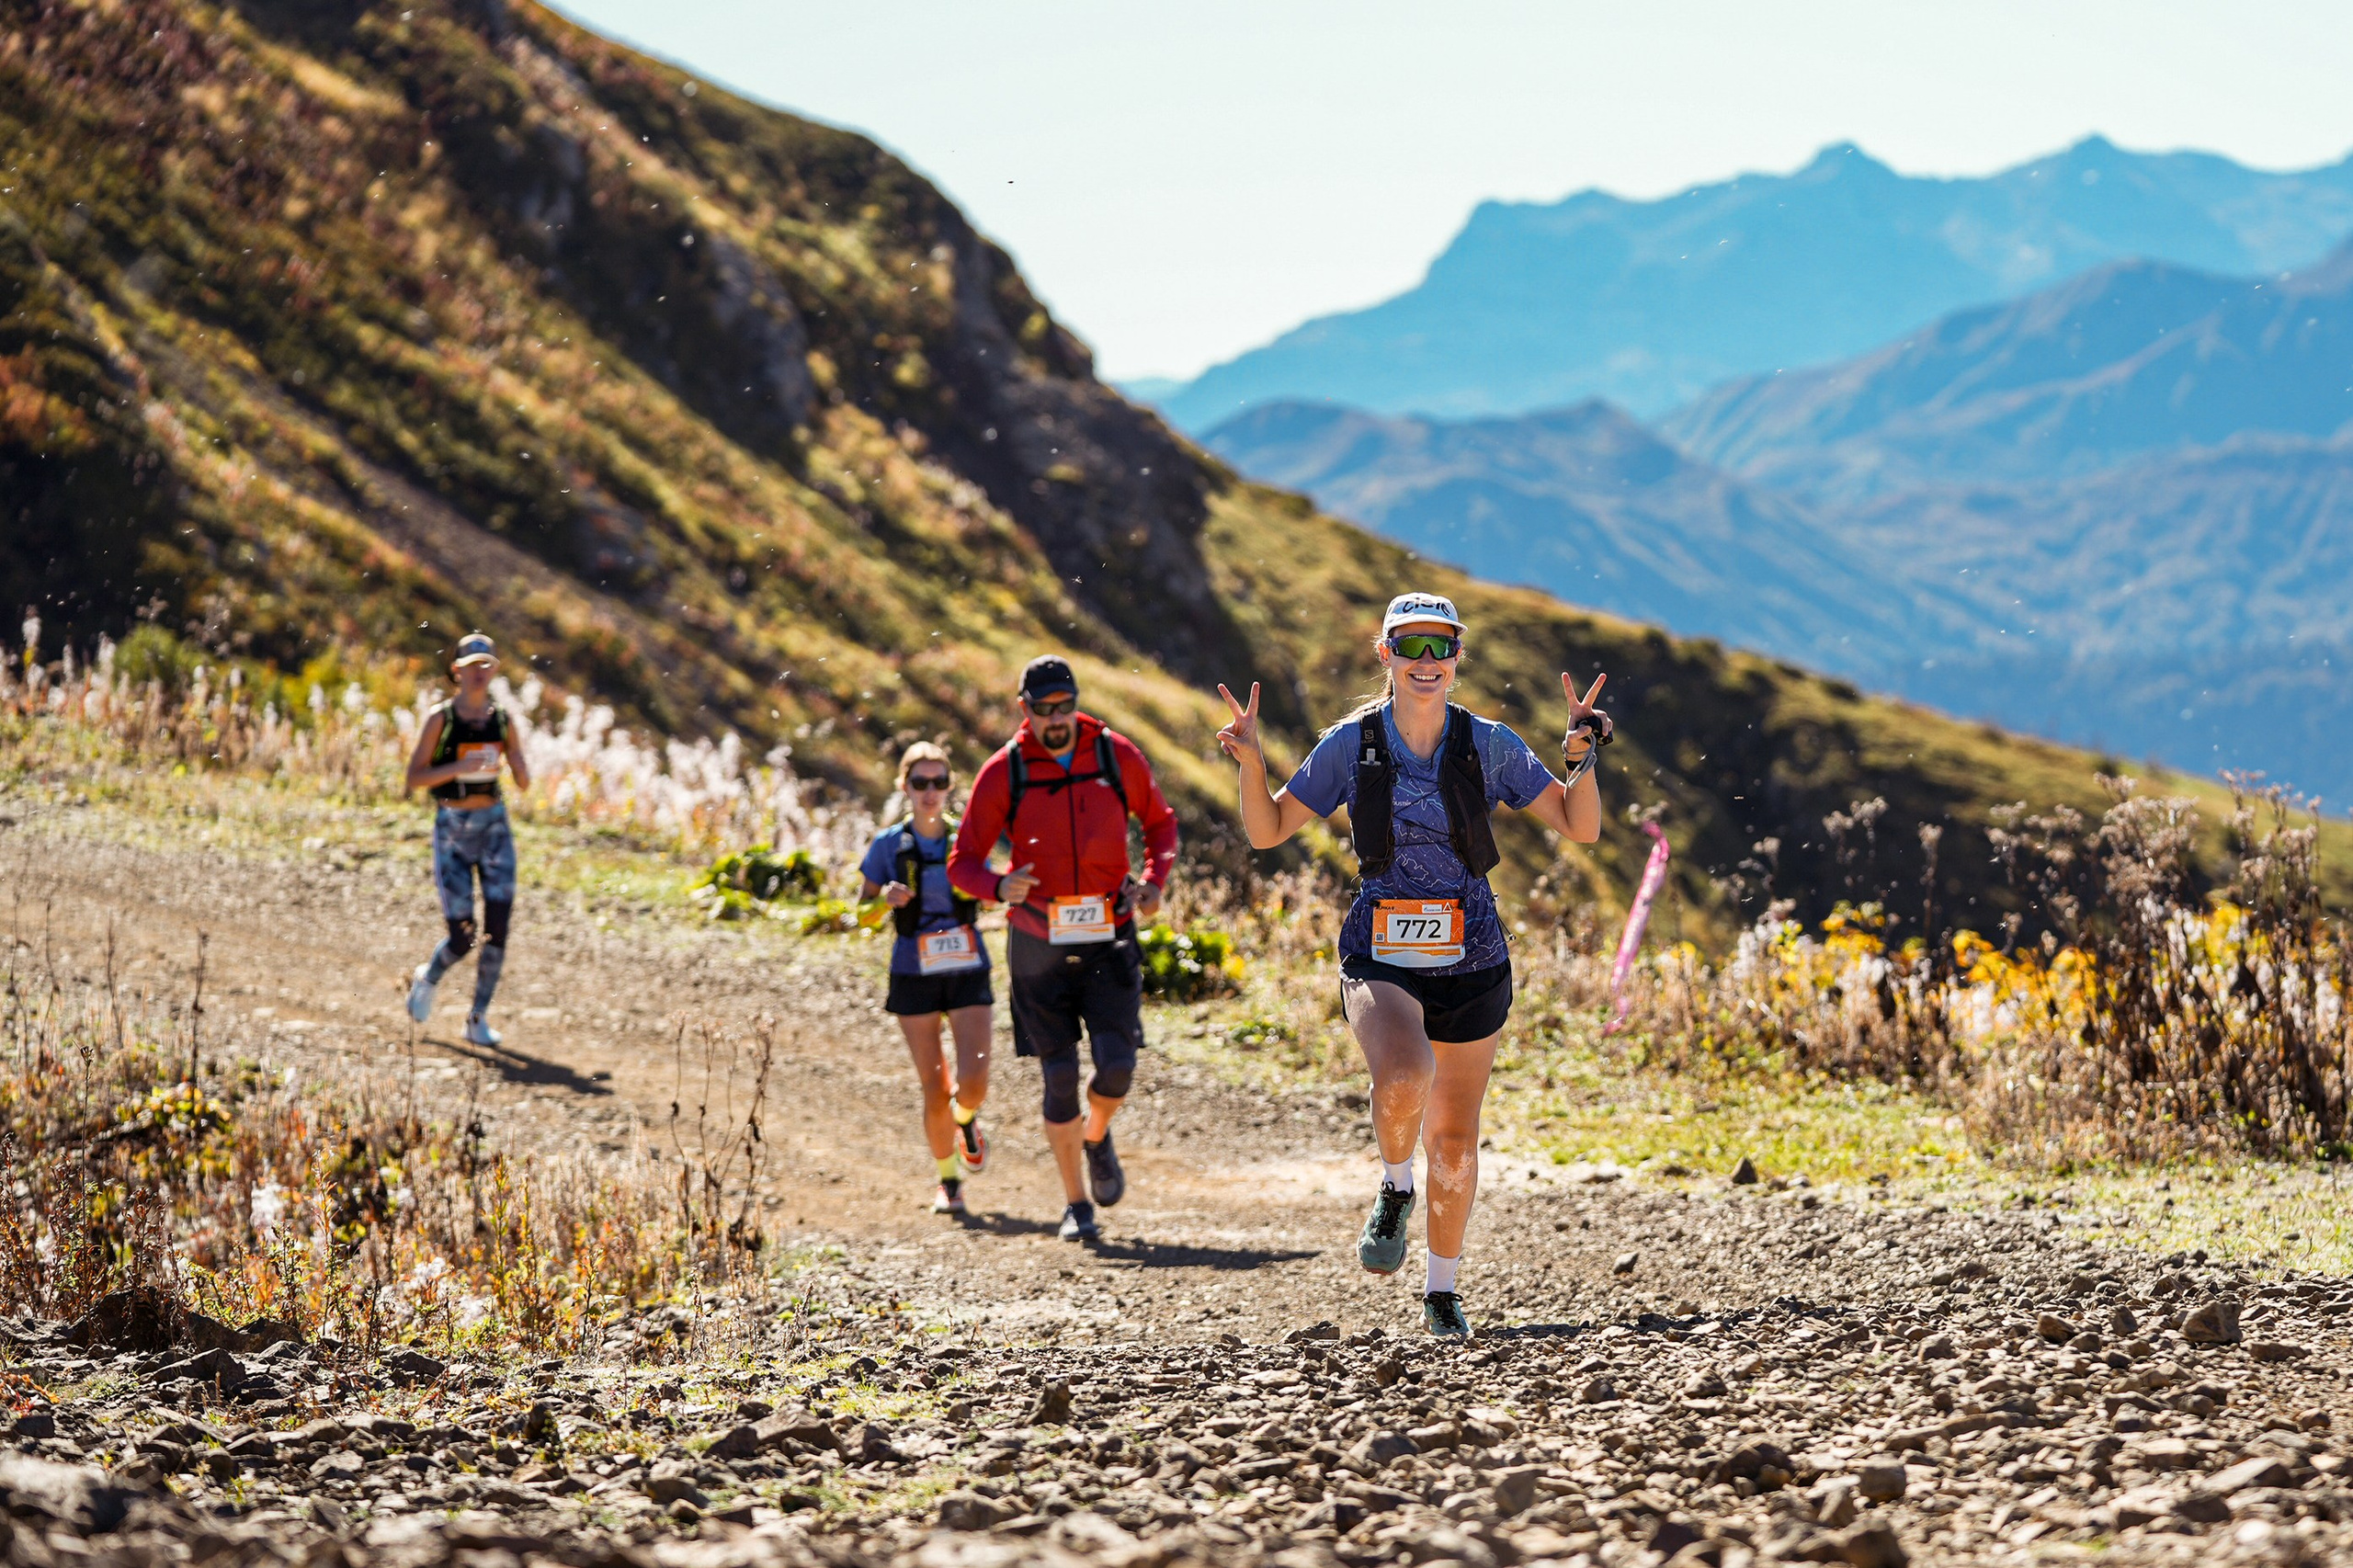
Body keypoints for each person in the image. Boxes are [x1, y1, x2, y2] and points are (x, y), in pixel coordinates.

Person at [1215, 592, 1610, 1337]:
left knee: (1456, 1142)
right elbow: (1267, 830)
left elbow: (1578, 827)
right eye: (1411, 646)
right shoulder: (1351, 743)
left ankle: (1442, 1291)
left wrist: (1582, 760)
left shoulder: (1488, 743)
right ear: (1385, 654)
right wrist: (1252, 761)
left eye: (1441, 647)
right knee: (1403, 1076)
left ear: (1459, 657)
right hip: (1379, 954)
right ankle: (1396, 1186)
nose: (1426, 663)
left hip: (1475, 960)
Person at [950, 655, 1179, 1243]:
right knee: (1058, 1078)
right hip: (1036, 944)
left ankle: (1096, 1135)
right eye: (1044, 710)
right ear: (1025, 710)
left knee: (1118, 1067)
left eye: (1065, 707)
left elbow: (1160, 824)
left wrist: (1154, 882)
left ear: (1076, 702)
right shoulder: (1005, 772)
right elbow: (963, 863)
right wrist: (998, 885)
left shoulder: (1114, 755)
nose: (1057, 720)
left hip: (1109, 936)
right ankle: (1077, 1205)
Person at [858, 743, 995, 1215]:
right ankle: (949, 1181)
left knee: (973, 1082)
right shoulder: (886, 846)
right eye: (921, 783)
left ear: (951, 787)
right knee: (934, 1086)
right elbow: (862, 915)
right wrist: (883, 903)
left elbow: (994, 890)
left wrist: (988, 887)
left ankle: (966, 1119)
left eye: (939, 782)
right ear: (905, 788)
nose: (930, 792)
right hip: (912, 972)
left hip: (967, 965)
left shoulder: (968, 839)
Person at [404, 632, 532, 1048]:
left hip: (494, 826)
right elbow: (414, 778)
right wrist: (460, 765)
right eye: (472, 665)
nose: (480, 673)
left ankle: (477, 1018)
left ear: (495, 670)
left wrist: (517, 765)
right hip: (453, 829)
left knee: (497, 929)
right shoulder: (441, 719)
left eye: (486, 665)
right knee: (463, 934)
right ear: (456, 671)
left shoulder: (502, 720)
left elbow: (523, 777)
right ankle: (430, 977)